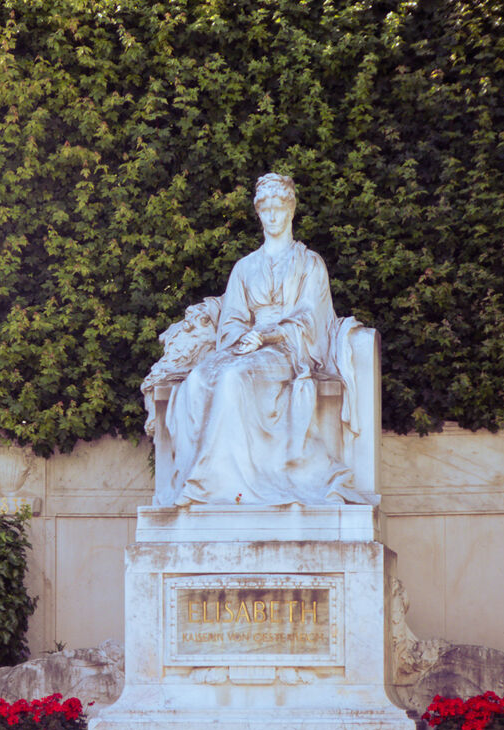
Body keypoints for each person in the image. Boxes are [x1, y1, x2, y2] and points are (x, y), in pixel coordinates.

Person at [153, 172, 374, 506]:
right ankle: (199, 480)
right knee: (197, 380)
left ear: (291, 210)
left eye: (279, 207)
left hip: (287, 349)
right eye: (266, 209)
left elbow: (308, 318)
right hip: (245, 346)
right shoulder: (244, 267)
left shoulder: (309, 263)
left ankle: (208, 484)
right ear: (258, 213)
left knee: (232, 379)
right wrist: (243, 339)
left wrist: (266, 335)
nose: (272, 216)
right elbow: (232, 320)